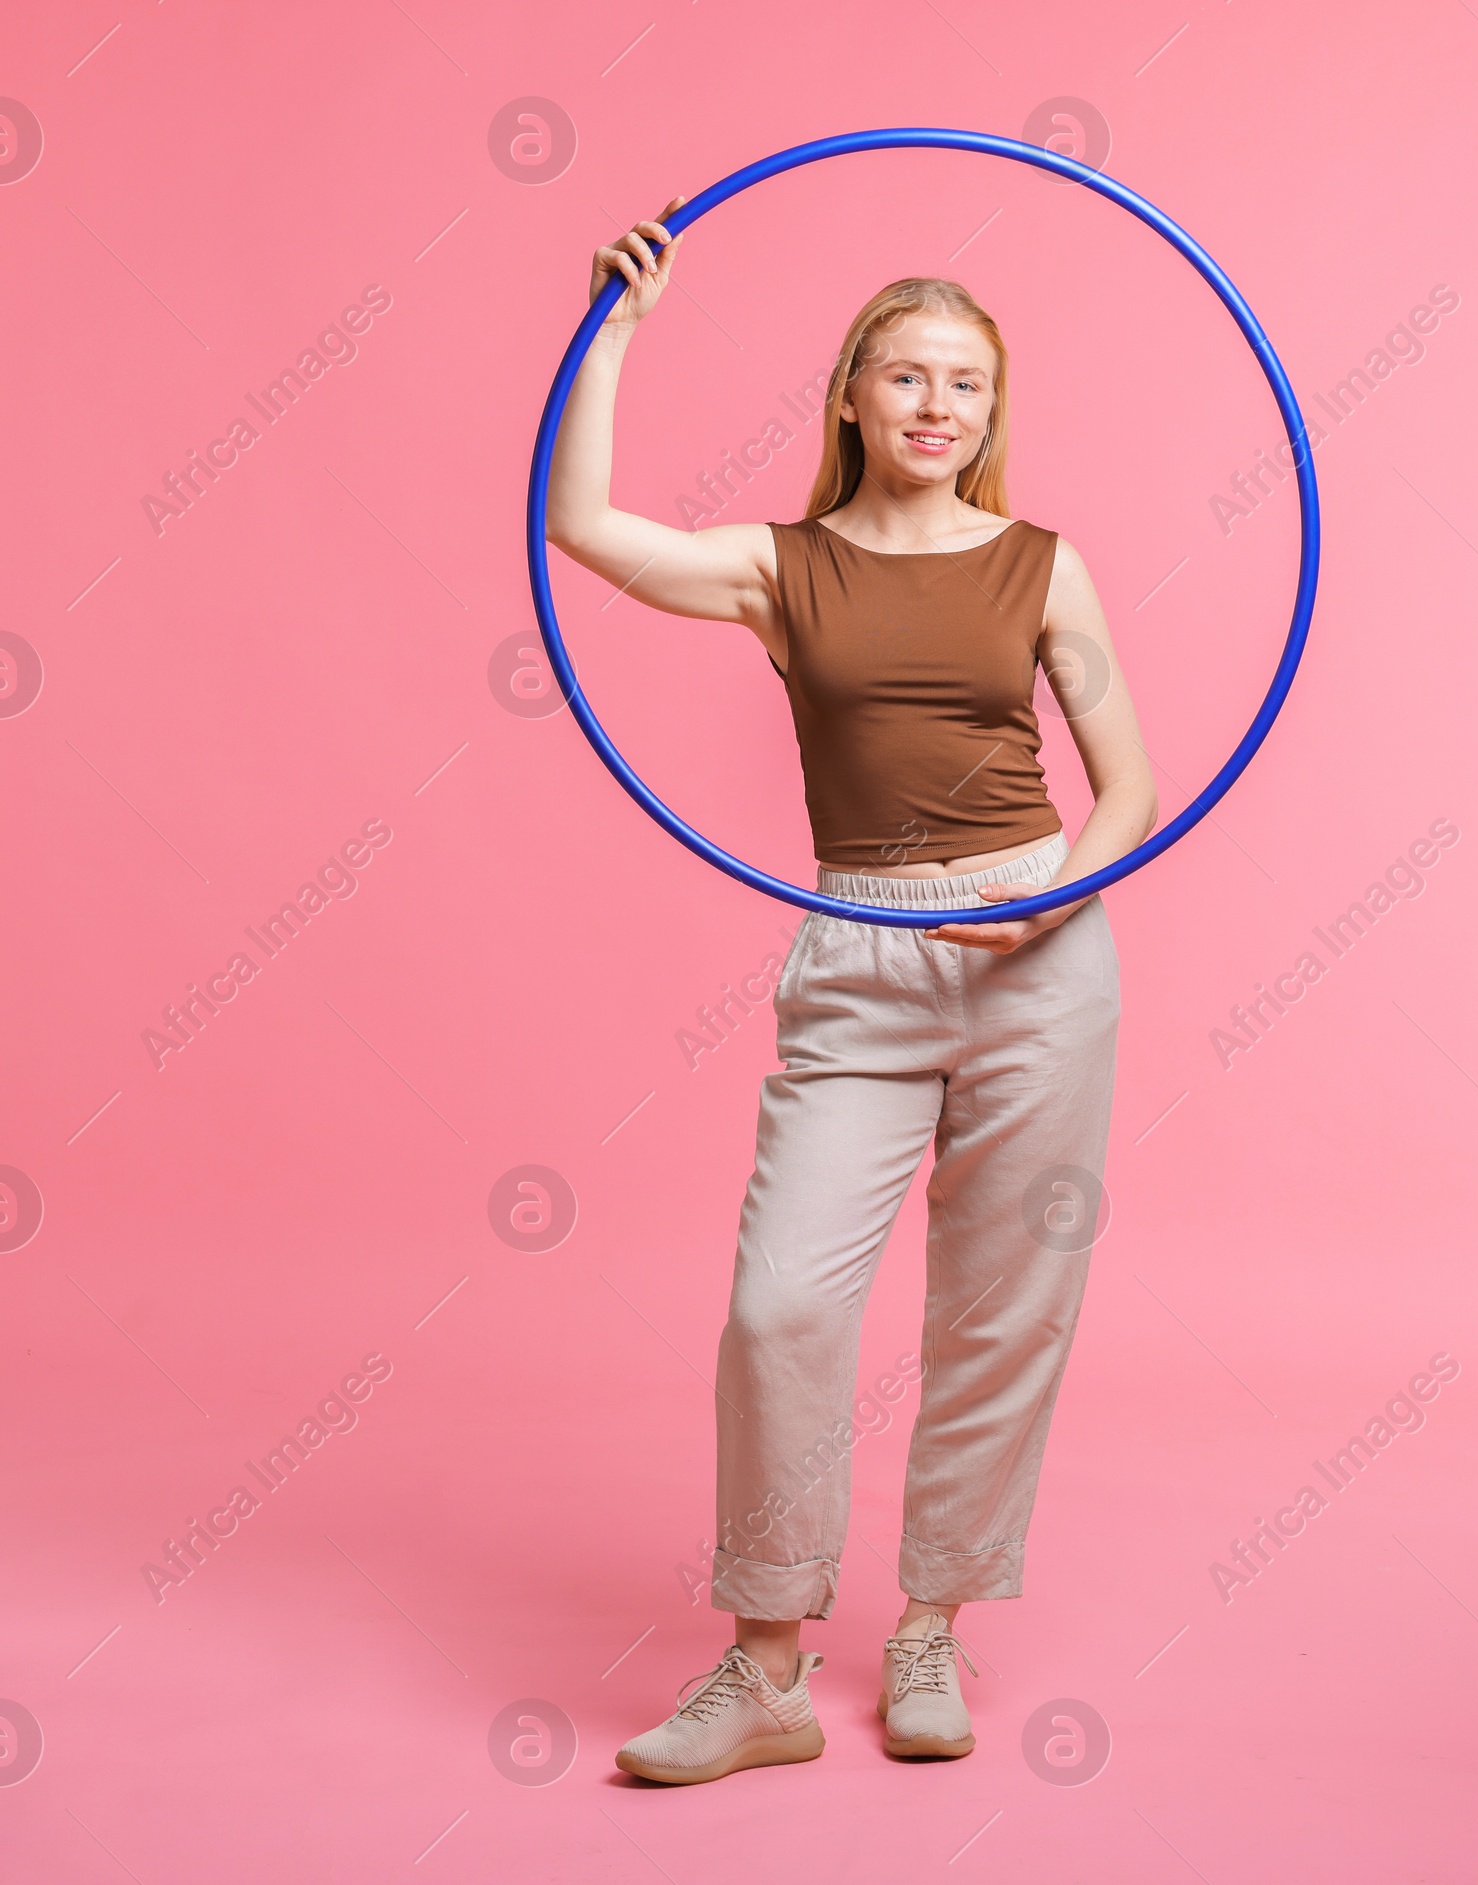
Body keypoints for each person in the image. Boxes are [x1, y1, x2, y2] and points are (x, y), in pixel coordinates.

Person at [546, 199, 1157, 1785]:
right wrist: (617, 325)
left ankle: (932, 1626)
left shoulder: (1043, 562)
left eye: (965, 383)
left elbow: (1130, 787)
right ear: (852, 397)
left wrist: (1054, 896)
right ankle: (761, 1668)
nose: (936, 407)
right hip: (858, 945)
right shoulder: (780, 566)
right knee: (783, 1305)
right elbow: (587, 533)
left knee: (1001, 1309)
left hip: (1040, 949)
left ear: (990, 411)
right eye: (906, 378)